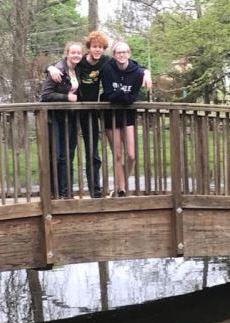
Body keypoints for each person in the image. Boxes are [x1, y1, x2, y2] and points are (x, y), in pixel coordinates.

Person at [47, 32, 152, 198]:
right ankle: (65, 192)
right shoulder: (80, 61)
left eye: (101, 47)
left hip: (91, 112)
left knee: (93, 152)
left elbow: (129, 63)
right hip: (73, 111)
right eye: (94, 47)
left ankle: (95, 191)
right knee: (68, 151)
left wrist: (145, 71)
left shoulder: (106, 61)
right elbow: (62, 64)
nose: (97, 50)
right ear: (89, 48)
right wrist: (50, 67)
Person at [100, 42, 146, 198]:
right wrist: (122, 95)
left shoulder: (137, 72)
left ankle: (122, 183)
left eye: (125, 52)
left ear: (129, 54)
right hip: (111, 115)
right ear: (114, 55)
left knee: (131, 155)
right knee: (118, 154)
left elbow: (133, 97)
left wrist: (119, 94)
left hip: (128, 115)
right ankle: (121, 190)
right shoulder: (107, 69)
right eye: (119, 52)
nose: (122, 55)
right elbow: (108, 95)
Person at [40, 41, 83, 198]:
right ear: (67, 53)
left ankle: (66, 192)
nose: (76, 55)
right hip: (55, 118)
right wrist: (67, 97)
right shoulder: (58, 70)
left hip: (70, 117)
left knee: (68, 154)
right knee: (56, 155)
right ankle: (53, 192)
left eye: (79, 53)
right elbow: (45, 95)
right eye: (73, 52)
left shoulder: (78, 69)